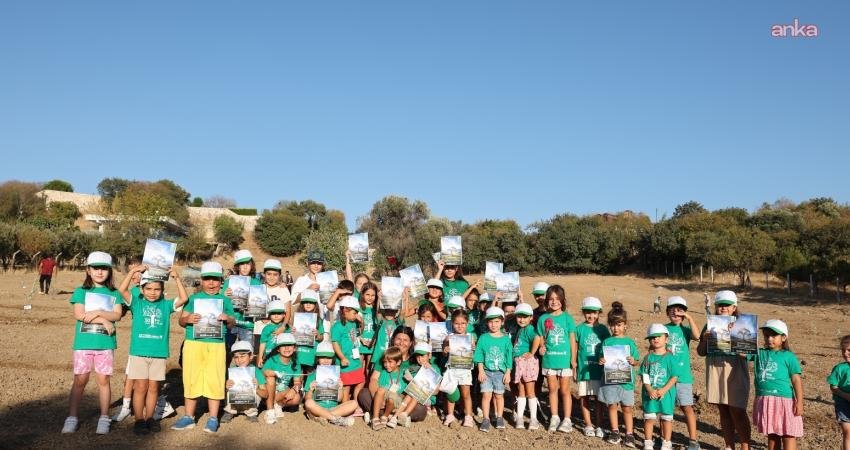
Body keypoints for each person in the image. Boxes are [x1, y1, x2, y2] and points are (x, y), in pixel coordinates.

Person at [118, 266, 188, 435]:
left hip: (159, 353)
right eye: (148, 288)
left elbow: (184, 298)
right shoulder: (137, 303)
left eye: (157, 289)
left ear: (163, 290)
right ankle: (139, 420)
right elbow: (122, 290)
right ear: (141, 289)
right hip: (139, 353)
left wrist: (177, 278)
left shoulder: (166, 305)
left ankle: (150, 417)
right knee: (140, 387)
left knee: (154, 388)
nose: (152, 292)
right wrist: (133, 271)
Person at [61, 251, 124, 435]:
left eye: (104, 268)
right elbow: (80, 315)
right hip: (84, 344)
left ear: (109, 271)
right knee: (80, 380)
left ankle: (104, 417)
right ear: (88, 270)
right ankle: (72, 417)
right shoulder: (81, 292)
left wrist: (97, 313)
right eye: (95, 268)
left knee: (103, 380)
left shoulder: (114, 293)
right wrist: (104, 320)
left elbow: (117, 314)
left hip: (105, 344)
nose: (99, 272)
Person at [172, 261, 236, 433]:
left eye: (215, 279)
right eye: (208, 279)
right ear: (202, 280)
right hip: (194, 343)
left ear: (220, 281)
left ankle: (213, 418)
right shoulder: (193, 299)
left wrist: (227, 318)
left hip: (216, 345)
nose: (212, 283)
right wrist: (188, 319)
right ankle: (188, 417)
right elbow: (181, 321)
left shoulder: (225, 300)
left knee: (215, 379)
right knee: (191, 378)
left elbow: (232, 322)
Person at [696, 290, 752, 450]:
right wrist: (705, 340)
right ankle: (729, 445)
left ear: (734, 307)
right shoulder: (709, 325)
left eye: (727, 305)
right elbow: (700, 352)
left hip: (735, 370)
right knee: (723, 409)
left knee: (737, 409)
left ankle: (745, 446)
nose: (723, 308)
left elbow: (749, 354)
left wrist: (735, 336)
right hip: (715, 370)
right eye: (720, 305)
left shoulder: (743, 325)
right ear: (715, 306)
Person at [754, 320, 803, 450]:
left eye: (773, 336)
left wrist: (800, 402)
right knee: (772, 434)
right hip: (766, 400)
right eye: (766, 335)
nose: (769, 339)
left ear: (783, 337)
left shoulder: (789, 356)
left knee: (788, 434)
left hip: (785, 400)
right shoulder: (759, 353)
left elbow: (796, 380)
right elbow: (741, 351)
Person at [536, 284, 577, 433]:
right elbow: (541, 337)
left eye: (557, 298)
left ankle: (567, 419)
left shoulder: (568, 318)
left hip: (564, 361)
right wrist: (541, 347)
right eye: (551, 299)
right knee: (552, 389)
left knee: (565, 390)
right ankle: (554, 417)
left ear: (562, 300)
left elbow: (572, 339)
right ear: (547, 300)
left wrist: (573, 360)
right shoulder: (543, 319)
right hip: (549, 360)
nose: (554, 301)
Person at [598, 301, 640, 447]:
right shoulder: (606, 342)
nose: (616, 328)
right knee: (612, 406)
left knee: (627, 408)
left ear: (625, 325)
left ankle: (629, 434)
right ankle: (615, 431)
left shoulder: (629, 343)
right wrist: (601, 360)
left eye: (619, 324)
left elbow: (637, 361)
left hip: (626, 383)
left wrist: (633, 361)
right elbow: (601, 358)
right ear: (610, 325)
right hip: (610, 381)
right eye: (613, 324)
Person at [664, 296, 702, 450]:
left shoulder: (685, 330)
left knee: (687, 407)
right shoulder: (663, 329)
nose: (676, 312)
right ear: (667, 312)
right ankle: (666, 440)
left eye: (680, 309)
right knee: (666, 409)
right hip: (666, 377)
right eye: (672, 309)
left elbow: (697, 336)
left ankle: (693, 441)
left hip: (683, 377)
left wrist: (689, 318)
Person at [575, 296, 610, 439]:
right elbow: (576, 348)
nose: (591, 315)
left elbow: (609, 346)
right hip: (584, 370)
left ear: (599, 313)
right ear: (583, 312)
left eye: (594, 312)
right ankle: (588, 424)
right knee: (584, 397)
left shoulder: (603, 329)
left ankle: (599, 424)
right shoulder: (579, 329)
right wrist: (574, 367)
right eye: (588, 312)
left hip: (599, 371)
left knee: (598, 399)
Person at [473, 306, 513, 432]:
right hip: (486, 372)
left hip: (500, 373)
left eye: (496, 321)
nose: (493, 324)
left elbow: (509, 357)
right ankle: (486, 419)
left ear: (502, 322)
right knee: (486, 395)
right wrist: (480, 371)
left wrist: (508, 372)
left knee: (499, 395)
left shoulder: (506, 339)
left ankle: (499, 417)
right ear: (487, 323)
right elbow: (479, 355)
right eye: (490, 321)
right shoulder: (484, 338)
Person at [640, 324, 679, 450]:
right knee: (649, 418)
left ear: (666, 339)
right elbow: (644, 375)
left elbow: (674, 377)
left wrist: (663, 390)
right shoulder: (648, 357)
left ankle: (666, 443)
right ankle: (648, 442)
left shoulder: (670, 358)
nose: (655, 339)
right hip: (649, 393)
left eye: (659, 336)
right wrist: (650, 389)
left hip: (665, 394)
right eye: (652, 337)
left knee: (666, 418)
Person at [303, 341, 357, 427]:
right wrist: (310, 389)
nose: (325, 360)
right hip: (317, 407)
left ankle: (324, 416)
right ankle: (335, 419)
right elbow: (307, 399)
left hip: (333, 408)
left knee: (354, 403)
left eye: (329, 358)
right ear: (317, 359)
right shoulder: (312, 375)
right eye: (322, 357)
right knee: (309, 403)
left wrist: (340, 388)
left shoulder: (336, 375)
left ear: (333, 359)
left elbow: (339, 399)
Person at [392, 342, 442, 428]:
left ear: (429, 356)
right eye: (417, 356)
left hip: (426, 398)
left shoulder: (434, 369)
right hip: (411, 395)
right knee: (409, 394)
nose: (420, 359)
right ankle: (400, 416)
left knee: (414, 394)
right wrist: (408, 377)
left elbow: (436, 391)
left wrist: (430, 371)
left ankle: (398, 415)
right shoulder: (413, 368)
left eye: (422, 356)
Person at [443, 308, 477, 428]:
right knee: (450, 393)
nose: (460, 326)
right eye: (457, 323)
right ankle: (450, 415)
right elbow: (444, 353)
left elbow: (474, 354)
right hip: (452, 369)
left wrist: (473, 348)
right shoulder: (449, 337)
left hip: (465, 369)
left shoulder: (471, 337)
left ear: (467, 323)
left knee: (466, 394)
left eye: (463, 323)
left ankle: (468, 416)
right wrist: (445, 350)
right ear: (452, 323)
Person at [221, 341, 268, 424]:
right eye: (236, 357)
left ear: (251, 356)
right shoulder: (232, 372)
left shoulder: (256, 371)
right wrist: (226, 386)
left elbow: (265, 394)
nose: (239, 360)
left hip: (250, 403)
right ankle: (229, 411)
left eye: (243, 356)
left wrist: (256, 388)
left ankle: (251, 413)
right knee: (227, 389)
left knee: (257, 393)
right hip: (234, 403)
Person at [511, 303, 541, 430]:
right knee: (521, 390)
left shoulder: (529, 329)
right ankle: (520, 418)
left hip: (527, 362)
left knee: (530, 391)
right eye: (519, 316)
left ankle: (533, 419)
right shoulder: (520, 329)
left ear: (530, 318)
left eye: (525, 317)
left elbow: (537, 338)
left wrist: (532, 352)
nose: (521, 319)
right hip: (519, 362)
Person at [262, 332, 303, 423]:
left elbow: (297, 382)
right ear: (278, 349)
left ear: (294, 348)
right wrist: (274, 373)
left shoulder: (296, 362)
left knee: (296, 397)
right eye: (283, 345)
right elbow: (264, 372)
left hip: (281, 393)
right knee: (270, 378)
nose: (287, 348)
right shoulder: (272, 360)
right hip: (267, 393)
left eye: (289, 345)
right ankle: (270, 410)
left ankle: (278, 405)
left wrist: (294, 389)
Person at [332, 296, 365, 402]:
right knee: (346, 387)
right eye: (354, 313)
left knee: (361, 381)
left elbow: (360, 333)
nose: (356, 315)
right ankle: (346, 408)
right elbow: (335, 344)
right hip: (345, 361)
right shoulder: (337, 326)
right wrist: (342, 358)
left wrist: (362, 323)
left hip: (355, 360)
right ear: (345, 310)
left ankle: (355, 403)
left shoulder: (354, 323)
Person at [368, 346, 406, 430]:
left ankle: (385, 416)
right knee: (381, 390)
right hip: (382, 397)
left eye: (390, 362)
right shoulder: (384, 372)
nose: (386, 365)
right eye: (385, 362)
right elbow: (376, 384)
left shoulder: (403, 374)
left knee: (392, 397)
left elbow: (404, 393)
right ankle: (375, 418)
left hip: (395, 399)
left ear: (398, 362)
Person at [288, 289, 325, 372]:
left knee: (309, 375)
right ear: (302, 304)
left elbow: (321, 338)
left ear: (315, 304)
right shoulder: (295, 318)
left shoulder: (318, 320)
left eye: (311, 302)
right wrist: (292, 332)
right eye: (305, 302)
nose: (308, 304)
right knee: (298, 376)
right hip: (298, 353)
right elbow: (290, 335)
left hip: (311, 354)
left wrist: (317, 334)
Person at [827, 335, 850, 450]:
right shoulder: (839, 368)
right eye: (843, 350)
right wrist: (846, 396)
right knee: (848, 432)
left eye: (849, 350)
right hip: (843, 404)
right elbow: (833, 387)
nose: (845, 353)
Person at [257, 300, 290, 366]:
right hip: (268, 356)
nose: (276, 316)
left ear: (284, 315)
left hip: (282, 357)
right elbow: (263, 343)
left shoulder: (287, 328)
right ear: (269, 315)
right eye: (273, 313)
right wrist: (260, 357)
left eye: (279, 313)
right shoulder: (267, 328)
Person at [358, 282, 379, 371]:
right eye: (367, 294)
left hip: (373, 344)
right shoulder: (358, 308)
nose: (370, 297)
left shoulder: (377, 310)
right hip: (360, 343)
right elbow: (354, 327)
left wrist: (375, 340)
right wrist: (360, 338)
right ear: (362, 294)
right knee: (358, 368)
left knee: (369, 369)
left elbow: (379, 327)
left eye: (373, 295)